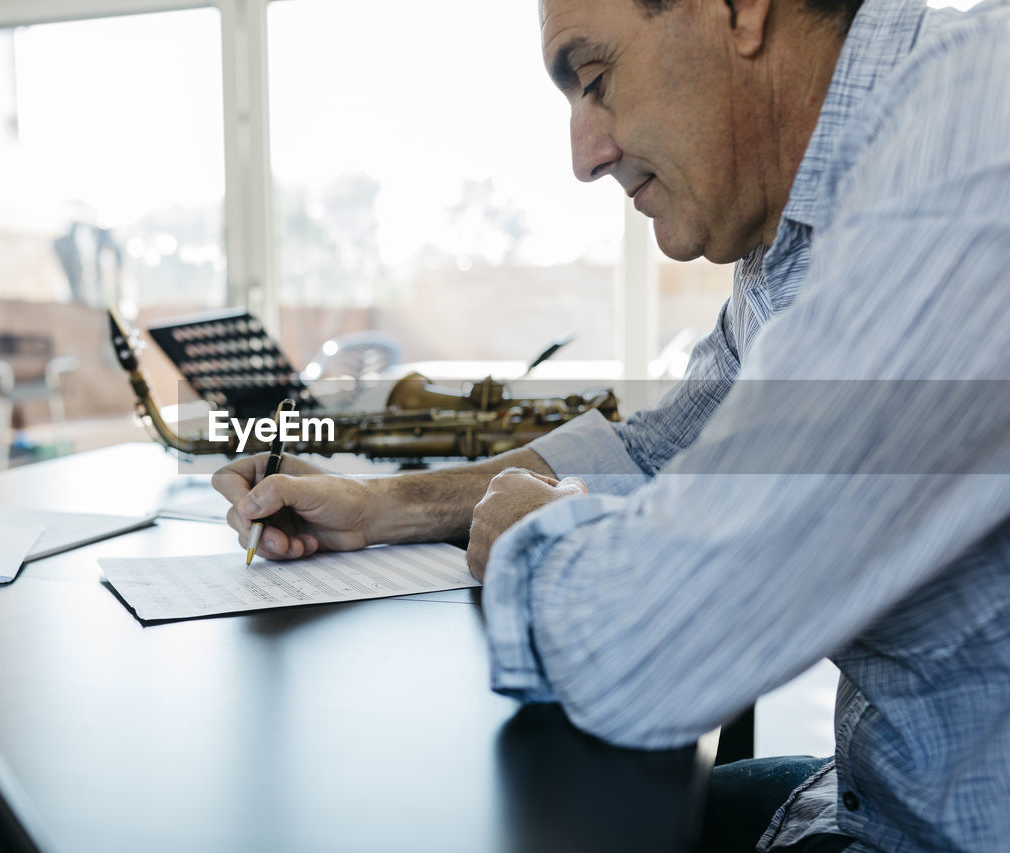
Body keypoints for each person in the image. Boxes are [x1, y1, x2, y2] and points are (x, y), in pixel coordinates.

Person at [212, 0, 1010, 848]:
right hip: (871, 791)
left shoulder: (974, 134)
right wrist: (385, 507)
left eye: (595, 81)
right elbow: (656, 450)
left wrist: (532, 529)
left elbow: (649, 639)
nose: (585, 157)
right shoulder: (792, 235)